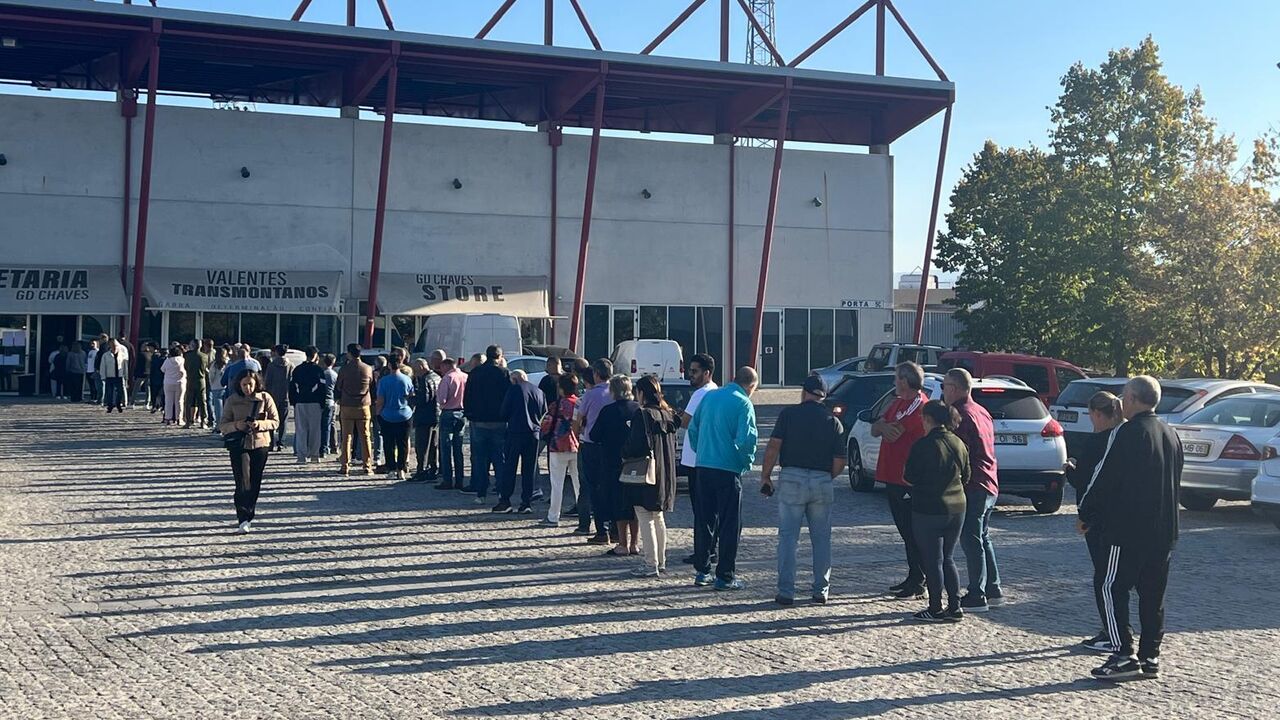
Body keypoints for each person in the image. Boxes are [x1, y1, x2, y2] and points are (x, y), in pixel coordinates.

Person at [1078, 377, 1182, 682]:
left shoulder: (1127, 432)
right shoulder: (1171, 433)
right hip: (1164, 530)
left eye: (1124, 396)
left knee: (1110, 586)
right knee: (1153, 594)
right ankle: (1150, 656)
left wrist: (1086, 513)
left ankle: (1123, 652)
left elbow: (1104, 476)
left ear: (1134, 399)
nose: (1121, 402)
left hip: (1127, 529)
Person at [760, 375, 845, 606]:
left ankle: (786, 591)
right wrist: (827, 477)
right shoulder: (832, 421)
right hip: (821, 480)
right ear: (823, 396)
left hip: (792, 478)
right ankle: (821, 591)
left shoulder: (789, 415)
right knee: (821, 539)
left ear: (804, 392)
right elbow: (839, 460)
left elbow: (773, 447)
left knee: (788, 538)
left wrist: (765, 476)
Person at [687, 366, 759, 591]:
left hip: (704, 465)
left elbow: (693, 428)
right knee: (730, 523)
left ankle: (702, 570)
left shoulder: (710, 396)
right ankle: (725, 575)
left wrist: (702, 450)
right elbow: (747, 439)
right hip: (727, 468)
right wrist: (745, 463)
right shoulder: (743, 402)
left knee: (704, 520)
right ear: (752, 386)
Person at [1066, 391, 1126, 655]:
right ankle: (1116, 629)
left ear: (1099, 414)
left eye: (1091, 415)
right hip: (1119, 515)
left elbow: (1085, 482)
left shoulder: (1097, 442)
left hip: (1096, 518)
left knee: (1104, 577)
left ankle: (1111, 632)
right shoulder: (1124, 439)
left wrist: (1069, 469)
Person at [942, 368, 1004, 613]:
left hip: (974, 483)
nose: (943, 390)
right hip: (991, 481)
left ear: (955, 388)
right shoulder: (981, 411)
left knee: (971, 537)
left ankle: (977, 593)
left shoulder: (960, 415)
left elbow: (959, 453)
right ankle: (993, 587)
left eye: (945, 385)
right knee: (983, 536)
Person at [903, 400, 969, 623]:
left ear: (928, 419)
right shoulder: (959, 442)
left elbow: (909, 476)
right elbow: (967, 475)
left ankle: (935, 607)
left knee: (933, 561)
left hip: (929, 508)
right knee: (948, 558)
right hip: (957, 506)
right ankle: (955, 605)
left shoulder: (923, 445)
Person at [872, 361, 930, 600]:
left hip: (907, 479)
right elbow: (877, 428)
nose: (894, 382)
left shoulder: (920, 406)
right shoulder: (896, 402)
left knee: (912, 531)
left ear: (905, 381)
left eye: (897, 378)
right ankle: (913, 575)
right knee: (905, 531)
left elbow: (897, 431)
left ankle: (920, 579)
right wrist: (883, 426)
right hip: (891, 475)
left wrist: (886, 428)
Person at [622, 375, 680, 577]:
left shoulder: (643, 415)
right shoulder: (668, 414)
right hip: (666, 471)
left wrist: (624, 452)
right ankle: (661, 561)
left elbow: (636, 445)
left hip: (646, 472)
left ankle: (650, 563)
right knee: (658, 517)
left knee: (645, 516)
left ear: (641, 393)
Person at [219, 369, 280, 534]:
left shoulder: (265, 398)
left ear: (256, 383)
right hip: (239, 445)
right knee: (242, 482)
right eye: (244, 384)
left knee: (255, 482)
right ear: (239, 384)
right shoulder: (232, 400)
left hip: (260, 444)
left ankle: (250, 513)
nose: (247, 388)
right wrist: (237, 425)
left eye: (250, 384)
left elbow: (275, 421)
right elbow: (223, 425)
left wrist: (259, 425)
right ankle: (243, 518)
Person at [593, 374, 641, 557]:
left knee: (619, 503)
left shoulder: (608, 411)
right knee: (635, 503)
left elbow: (595, 435)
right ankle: (635, 543)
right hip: (636, 463)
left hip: (613, 463)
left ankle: (623, 543)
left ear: (613, 391)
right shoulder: (638, 409)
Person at [679, 353, 719, 566]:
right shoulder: (716, 392)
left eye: (694, 371)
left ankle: (703, 551)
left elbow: (685, 422)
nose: (690, 375)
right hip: (709, 458)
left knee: (701, 510)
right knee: (711, 509)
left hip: (696, 459)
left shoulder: (700, 394)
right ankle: (711, 549)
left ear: (707, 372)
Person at [572, 359, 615, 543]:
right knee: (612, 487)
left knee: (592, 487)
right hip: (612, 446)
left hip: (590, 444)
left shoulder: (589, 395)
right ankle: (615, 529)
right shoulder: (615, 392)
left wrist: (578, 432)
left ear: (596, 374)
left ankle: (600, 530)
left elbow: (578, 419)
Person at [463, 345, 510, 503]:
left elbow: (467, 395)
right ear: (499, 356)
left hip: (478, 421)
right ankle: (502, 493)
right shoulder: (504, 373)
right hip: (499, 421)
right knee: (499, 459)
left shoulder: (475, 373)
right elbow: (508, 397)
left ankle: (481, 493)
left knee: (480, 459)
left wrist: (469, 414)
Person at [496, 369, 547, 513]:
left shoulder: (514, 389)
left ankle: (505, 501)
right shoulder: (538, 391)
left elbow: (504, 412)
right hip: (534, 434)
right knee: (529, 469)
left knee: (510, 467)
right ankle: (526, 502)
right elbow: (544, 411)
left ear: (514, 379)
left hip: (515, 432)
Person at [540, 372, 581, 526]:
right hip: (577, 446)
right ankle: (582, 514)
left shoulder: (556, 405)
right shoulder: (579, 403)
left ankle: (553, 516)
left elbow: (546, 425)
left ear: (561, 388)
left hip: (558, 446)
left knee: (557, 483)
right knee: (578, 483)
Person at [335, 344, 375, 476]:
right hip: (363, 406)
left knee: (346, 437)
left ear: (349, 353)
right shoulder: (368, 369)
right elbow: (372, 387)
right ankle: (367, 466)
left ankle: (345, 466)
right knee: (366, 436)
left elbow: (339, 387)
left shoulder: (344, 369)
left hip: (347, 405)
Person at [375, 352, 415, 481]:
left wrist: (377, 413)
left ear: (390, 365)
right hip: (404, 414)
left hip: (387, 414)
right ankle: (401, 469)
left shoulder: (383, 381)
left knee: (389, 443)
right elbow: (411, 395)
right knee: (403, 443)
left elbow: (380, 400)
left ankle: (391, 468)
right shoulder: (407, 379)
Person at [289, 346, 326, 465]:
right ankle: (315, 455)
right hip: (315, 403)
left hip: (300, 402)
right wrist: (322, 403)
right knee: (315, 430)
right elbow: (322, 388)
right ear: (315, 355)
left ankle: (301, 456)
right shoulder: (318, 370)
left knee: (301, 430)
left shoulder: (297, 369)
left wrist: (293, 401)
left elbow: (292, 387)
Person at [436, 356, 468, 490]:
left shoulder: (447, 378)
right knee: (458, 448)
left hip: (448, 413)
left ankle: (447, 480)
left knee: (446, 447)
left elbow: (442, 400)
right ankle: (460, 479)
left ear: (446, 366)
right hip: (462, 413)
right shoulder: (466, 377)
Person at [410, 357, 440, 482]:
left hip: (424, 416)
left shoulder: (424, 380)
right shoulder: (437, 377)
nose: (415, 374)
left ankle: (421, 469)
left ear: (421, 368)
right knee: (433, 444)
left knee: (421, 445)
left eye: (416, 371)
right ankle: (433, 468)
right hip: (436, 414)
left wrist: (410, 398)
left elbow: (423, 399)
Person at [264, 345, 293, 452]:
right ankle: (281, 442)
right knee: (283, 421)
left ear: (276, 352)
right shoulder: (290, 365)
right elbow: (291, 381)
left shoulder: (271, 365)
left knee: (271, 419)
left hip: (272, 396)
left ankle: (270, 442)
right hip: (285, 396)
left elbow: (267, 381)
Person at [183, 339, 210, 429]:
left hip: (190, 379)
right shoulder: (205, 356)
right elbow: (206, 367)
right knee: (202, 401)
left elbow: (185, 367)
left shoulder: (187, 356)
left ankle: (188, 421)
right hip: (201, 380)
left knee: (188, 401)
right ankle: (203, 421)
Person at [98, 338, 129, 413]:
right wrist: (103, 376)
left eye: (115, 345)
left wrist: (126, 376)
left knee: (120, 391)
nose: (114, 346)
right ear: (109, 345)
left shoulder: (122, 355)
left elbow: (125, 366)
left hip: (119, 376)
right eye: (112, 345)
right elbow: (103, 366)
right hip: (110, 376)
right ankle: (110, 405)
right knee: (109, 392)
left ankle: (118, 404)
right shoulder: (106, 355)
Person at [161, 345, 187, 426]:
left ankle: (168, 418)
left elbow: (162, 369)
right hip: (180, 382)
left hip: (168, 383)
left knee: (168, 401)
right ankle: (179, 418)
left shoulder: (167, 361)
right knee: (179, 401)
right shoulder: (183, 360)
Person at [319, 353, 339, 456]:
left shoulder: (322, 373)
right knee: (331, 424)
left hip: (322, 401)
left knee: (322, 425)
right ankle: (333, 446)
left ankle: (323, 447)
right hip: (332, 401)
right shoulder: (335, 374)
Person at [208, 346, 228, 431]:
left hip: (216, 387)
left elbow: (211, 376)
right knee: (225, 407)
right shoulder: (227, 363)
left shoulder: (214, 364)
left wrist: (210, 382)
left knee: (217, 408)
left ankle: (218, 425)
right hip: (225, 386)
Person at [85, 339, 101, 404]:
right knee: (91, 385)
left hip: (94, 370)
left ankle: (95, 398)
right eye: (91, 343)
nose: (92, 345)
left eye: (93, 344)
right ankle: (92, 397)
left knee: (95, 385)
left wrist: (95, 370)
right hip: (88, 370)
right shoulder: (90, 352)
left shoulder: (98, 352)